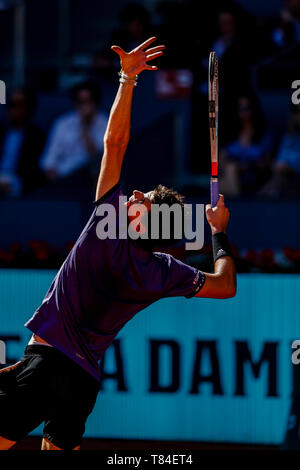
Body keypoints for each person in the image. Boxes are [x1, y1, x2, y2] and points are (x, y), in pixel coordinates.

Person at [0, 37, 236, 451]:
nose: (137, 197)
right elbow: (225, 285)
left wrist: (127, 78)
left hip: (45, 366)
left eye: (144, 200)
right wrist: (218, 232)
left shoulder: (103, 230)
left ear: (149, 222)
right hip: (82, 384)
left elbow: (114, 143)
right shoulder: (165, 271)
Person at [39, 81, 107, 185]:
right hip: (63, 179)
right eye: (81, 102)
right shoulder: (63, 123)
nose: (85, 106)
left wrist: (84, 125)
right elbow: (49, 160)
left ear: (96, 102)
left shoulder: (105, 123)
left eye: (88, 101)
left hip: (91, 182)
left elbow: (97, 159)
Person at [220, 92, 273, 196]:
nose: (244, 113)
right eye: (240, 109)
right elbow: (220, 162)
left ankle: (238, 206)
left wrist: (249, 166)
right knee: (226, 175)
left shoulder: (263, 134)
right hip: (232, 176)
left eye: (247, 108)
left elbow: (268, 162)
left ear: (254, 109)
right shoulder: (230, 134)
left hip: (255, 177)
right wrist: (237, 166)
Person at [0, 88, 45, 197]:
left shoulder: (37, 136)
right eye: (12, 104)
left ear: (29, 108)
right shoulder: (1, 132)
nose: (15, 109)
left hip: (19, 184)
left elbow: (34, 172)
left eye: (20, 104)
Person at [260, 105, 300, 198]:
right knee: (277, 176)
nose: (298, 116)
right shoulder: (289, 136)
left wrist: (289, 165)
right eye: (296, 113)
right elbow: (280, 159)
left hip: (293, 174)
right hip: (285, 176)